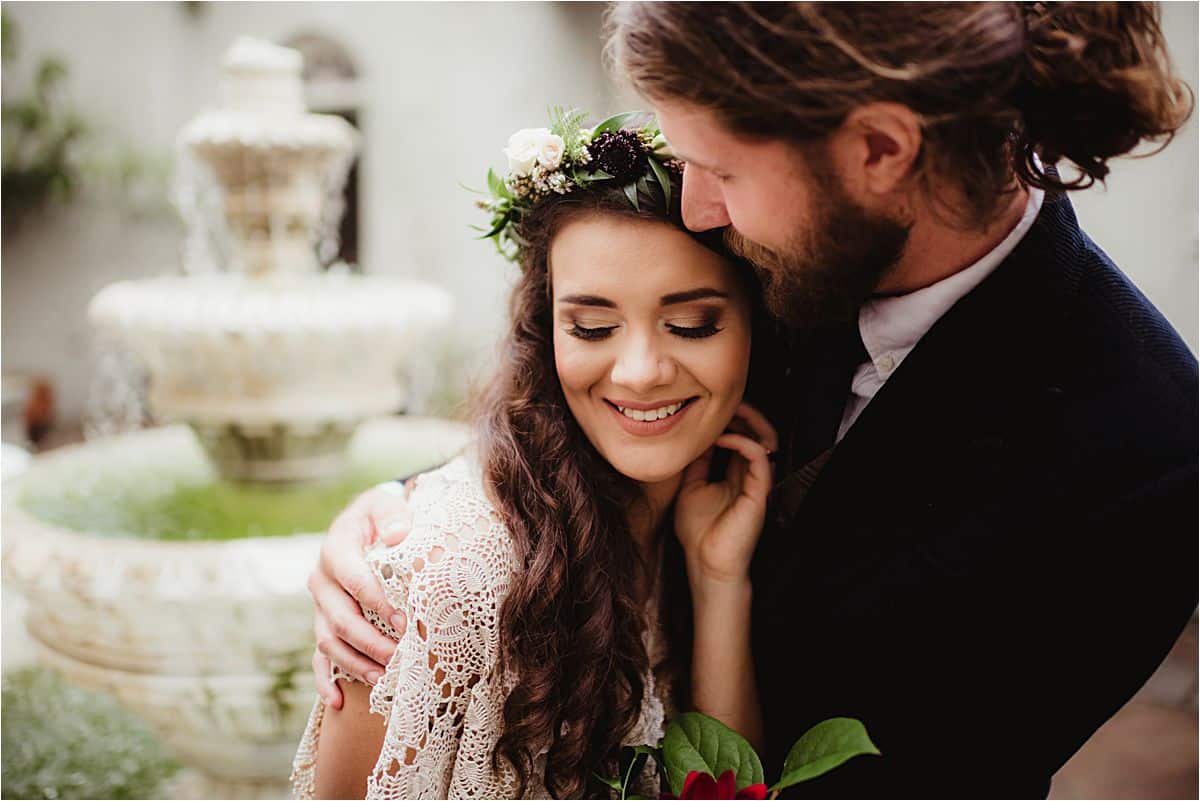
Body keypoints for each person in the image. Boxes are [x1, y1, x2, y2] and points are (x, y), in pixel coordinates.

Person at [308, 3, 1198, 796]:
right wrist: (415, 517)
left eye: (719, 171)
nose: (694, 209)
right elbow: (601, 358)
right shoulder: (783, 233)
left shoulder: (1147, 454)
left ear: (881, 151)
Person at [292, 114, 780, 799]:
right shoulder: (445, 582)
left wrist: (717, 579)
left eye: (690, 323)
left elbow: (734, 790)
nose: (640, 371)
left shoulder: (705, 525)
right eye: (593, 326)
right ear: (545, 331)